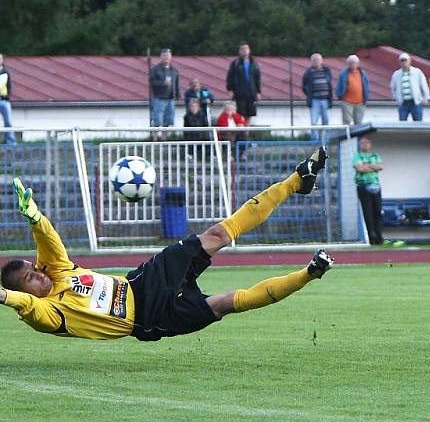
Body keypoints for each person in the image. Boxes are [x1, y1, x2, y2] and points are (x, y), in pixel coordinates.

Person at [0, 149, 332, 341]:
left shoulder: (55, 273)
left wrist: (35, 218)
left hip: (142, 282)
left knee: (216, 234)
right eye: (31, 279)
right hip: (147, 318)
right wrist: (4, 296)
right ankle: (310, 273)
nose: (39, 274)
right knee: (226, 303)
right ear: (25, 293)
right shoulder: (45, 312)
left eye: (33, 269)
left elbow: (50, 245)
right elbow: (23, 304)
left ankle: (295, 181)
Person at [353, 136, 384, 245]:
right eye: (362, 143)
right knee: (368, 213)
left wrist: (367, 166)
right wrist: (372, 167)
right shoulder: (357, 156)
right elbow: (359, 168)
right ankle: (371, 237)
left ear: (370, 144)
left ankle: (379, 236)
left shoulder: (375, 155)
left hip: (375, 186)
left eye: (366, 142)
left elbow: (380, 166)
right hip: (363, 186)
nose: (364, 144)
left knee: (378, 212)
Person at [225, 42, 261, 126]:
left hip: (251, 93)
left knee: (250, 114)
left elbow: (257, 78)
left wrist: (258, 91)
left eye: (246, 49)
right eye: (243, 49)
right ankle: (240, 134)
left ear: (249, 50)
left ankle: (246, 134)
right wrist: (230, 89)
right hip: (239, 92)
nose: (245, 51)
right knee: (240, 114)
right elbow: (230, 76)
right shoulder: (235, 63)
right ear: (239, 51)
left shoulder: (254, 63)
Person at [390, 52, 430, 122]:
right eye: (402, 61)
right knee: (402, 123)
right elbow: (393, 87)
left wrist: (426, 97)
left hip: (415, 102)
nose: (404, 62)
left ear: (409, 61)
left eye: (405, 60)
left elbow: (424, 85)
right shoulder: (396, 74)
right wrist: (396, 98)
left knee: (418, 123)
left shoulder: (417, 72)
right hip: (403, 103)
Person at [148, 48, 180, 137]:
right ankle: (154, 137)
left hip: (170, 98)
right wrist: (162, 83)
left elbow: (176, 83)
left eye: (168, 56)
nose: (166, 58)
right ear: (161, 57)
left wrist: (177, 95)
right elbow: (152, 82)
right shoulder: (155, 69)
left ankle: (164, 138)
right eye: (164, 56)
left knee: (169, 119)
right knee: (157, 119)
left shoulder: (174, 70)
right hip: (159, 97)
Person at [302, 53, 333, 141]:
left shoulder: (327, 71)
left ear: (321, 60)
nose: (316, 61)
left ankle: (326, 140)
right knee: (314, 122)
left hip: (325, 100)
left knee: (326, 121)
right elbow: (304, 86)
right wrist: (309, 94)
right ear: (311, 61)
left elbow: (329, 84)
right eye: (314, 60)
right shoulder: (308, 72)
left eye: (318, 59)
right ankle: (314, 140)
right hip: (314, 100)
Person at [336, 55, 370, 125]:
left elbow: (366, 86)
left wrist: (366, 97)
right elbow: (339, 86)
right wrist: (340, 96)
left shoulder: (363, 74)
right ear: (348, 64)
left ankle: (358, 136)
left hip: (360, 102)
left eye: (354, 62)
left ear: (358, 64)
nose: (352, 64)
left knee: (358, 122)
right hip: (347, 102)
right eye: (351, 63)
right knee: (347, 121)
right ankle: (347, 135)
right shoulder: (343, 74)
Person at [0, 54, 15, 145]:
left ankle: (10, 142)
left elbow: (9, 86)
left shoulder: (5, 72)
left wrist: (7, 97)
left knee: (8, 122)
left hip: (3, 100)